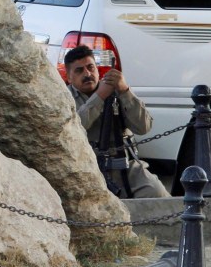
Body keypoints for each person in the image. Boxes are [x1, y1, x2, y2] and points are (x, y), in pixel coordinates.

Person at [64, 45, 170, 198]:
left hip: (124, 163)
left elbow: (144, 127)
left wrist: (124, 90)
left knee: (158, 195)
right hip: (86, 167)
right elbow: (72, 129)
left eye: (90, 67)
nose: (87, 74)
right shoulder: (64, 97)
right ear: (69, 77)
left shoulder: (115, 89)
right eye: (79, 70)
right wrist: (99, 97)